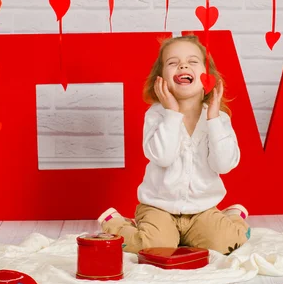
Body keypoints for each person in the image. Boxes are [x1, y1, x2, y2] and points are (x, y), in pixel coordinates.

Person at [98, 34, 250, 255]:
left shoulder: (219, 119)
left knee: (226, 243)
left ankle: (232, 217)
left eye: (192, 61)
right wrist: (172, 112)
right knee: (153, 249)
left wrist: (214, 118)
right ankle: (116, 222)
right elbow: (163, 157)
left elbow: (224, 165)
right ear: (161, 79)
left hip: (202, 210)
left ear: (208, 76)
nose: (183, 65)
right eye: (173, 62)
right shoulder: (156, 116)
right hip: (159, 208)